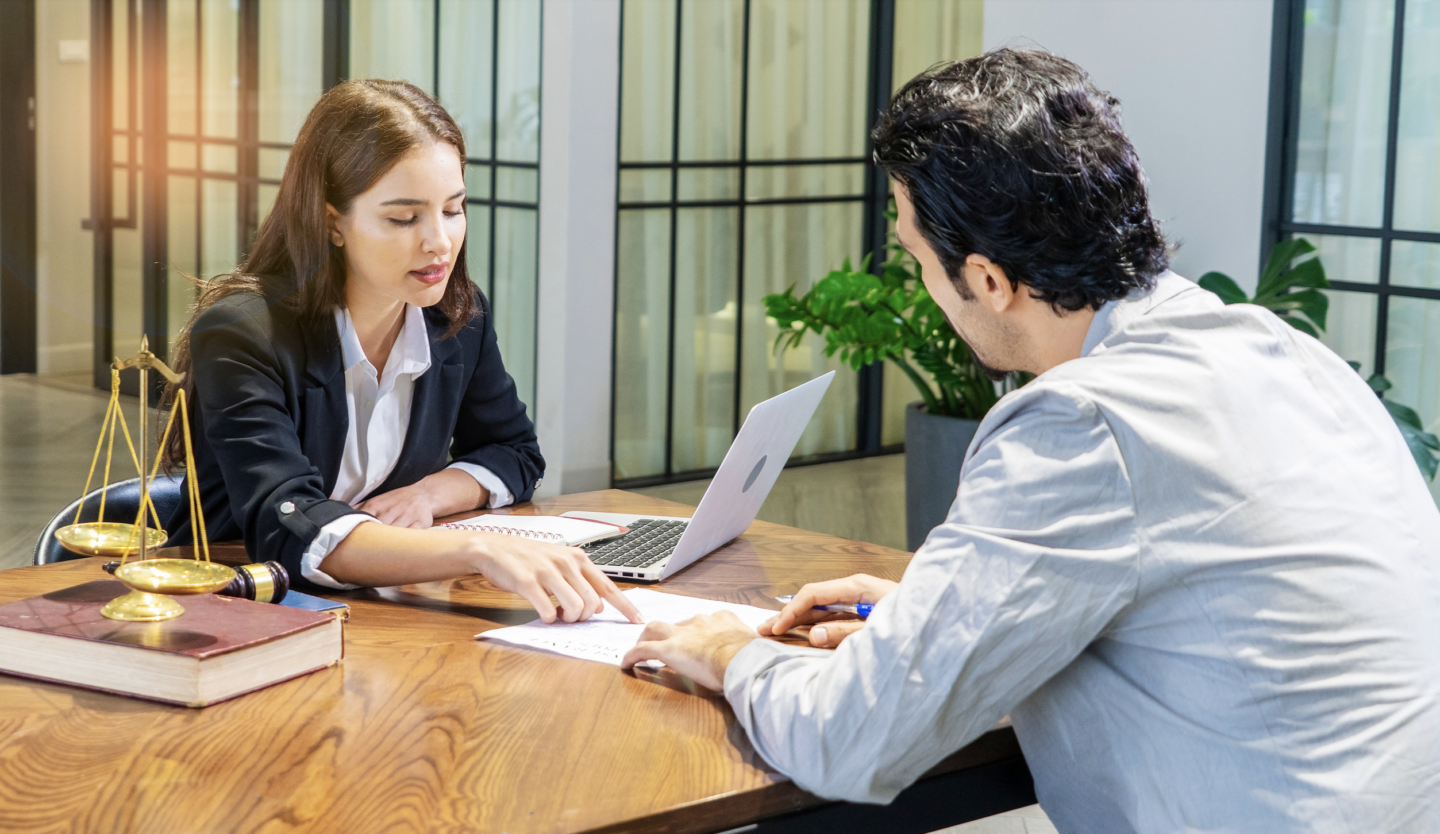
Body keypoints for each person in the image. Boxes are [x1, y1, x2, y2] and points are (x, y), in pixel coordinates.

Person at [621, 49, 1440, 832]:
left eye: (918, 260)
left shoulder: (1083, 422)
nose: (923, 287)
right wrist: (947, 618)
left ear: (985, 280)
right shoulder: (1278, 347)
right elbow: (1217, 605)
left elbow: (851, 739)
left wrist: (728, 653)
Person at [161, 79, 639, 625]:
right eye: (405, 218)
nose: (439, 241)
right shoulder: (243, 335)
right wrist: (479, 547)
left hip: (380, 611)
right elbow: (288, 522)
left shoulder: (456, 318)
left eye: (453, 209)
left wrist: (430, 495)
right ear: (331, 221)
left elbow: (514, 452)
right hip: (242, 611)